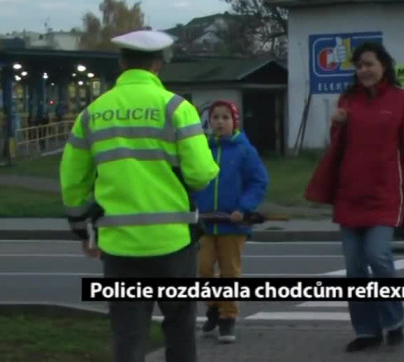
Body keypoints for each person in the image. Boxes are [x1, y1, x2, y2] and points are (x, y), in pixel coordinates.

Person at [59, 29, 220, 362]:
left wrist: (80, 229)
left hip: (119, 247)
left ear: (122, 63)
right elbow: (201, 173)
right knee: (179, 329)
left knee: (128, 335)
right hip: (174, 242)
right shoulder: (177, 108)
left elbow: (72, 180)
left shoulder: (92, 113)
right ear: (157, 65)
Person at [326, 41, 404, 352]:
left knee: (377, 257)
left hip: (386, 194)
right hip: (350, 194)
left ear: (384, 65)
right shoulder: (348, 100)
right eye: (359, 66)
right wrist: (336, 124)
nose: (364, 70)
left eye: (369, 64)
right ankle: (366, 331)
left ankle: (393, 321)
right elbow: (338, 148)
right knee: (355, 269)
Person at [194, 100, 269, 343]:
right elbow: (192, 180)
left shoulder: (245, 151)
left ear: (234, 122)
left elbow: (258, 181)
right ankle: (213, 307)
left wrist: (244, 208)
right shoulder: (202, 149)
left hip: (233, 224)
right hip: (204, 223)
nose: (220, 122)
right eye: (215, 117)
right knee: (204, 268)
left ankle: (228, 317)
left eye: (225, 117)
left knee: (229, 272)